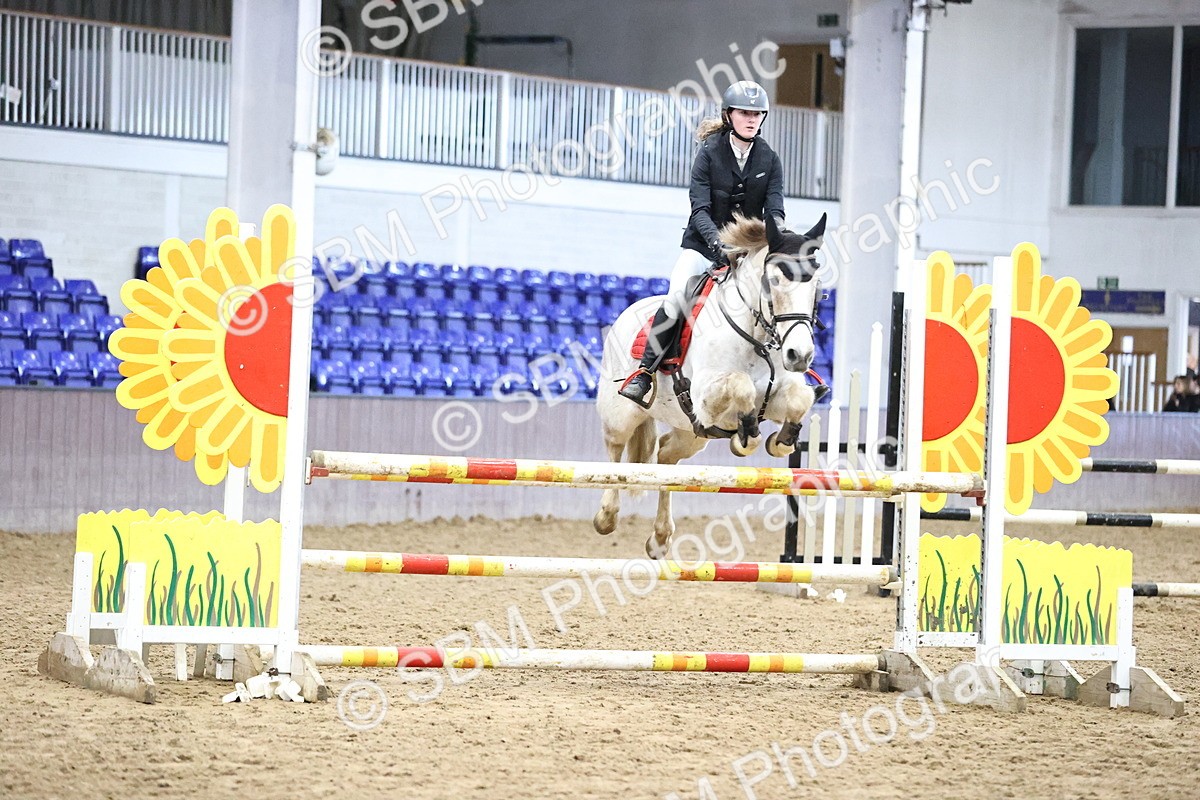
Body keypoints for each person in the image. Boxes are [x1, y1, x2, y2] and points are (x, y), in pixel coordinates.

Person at [618, 80, 786, 406]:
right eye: (744, 113)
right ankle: (644, 372)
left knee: (781, 296)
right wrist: (718, 246)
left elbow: (775, 209)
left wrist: (777, 234)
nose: (751, 119)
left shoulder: (770, 159)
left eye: (757, 114)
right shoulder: (709, 153)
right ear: (729, 115)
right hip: (701, 247)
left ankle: (789, 372)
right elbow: (700, 210)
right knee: (677, 296)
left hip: (746, 254)